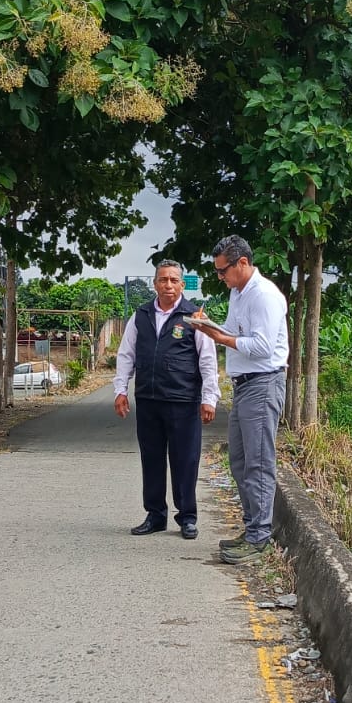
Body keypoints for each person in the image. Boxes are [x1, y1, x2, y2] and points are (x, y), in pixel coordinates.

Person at [188, 235, 289, 564]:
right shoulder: (238, 293)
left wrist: (221, 338)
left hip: (263, 382)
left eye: (223, 271)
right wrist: (208, 327)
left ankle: (259, 537)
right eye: (217, 271)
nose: (221, 277)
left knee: (258, 461)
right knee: (240, 461)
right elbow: (232, 330)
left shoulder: (264, 296)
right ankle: (252, 527)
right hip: (244, 385)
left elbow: (262, 347)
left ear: (242, 263)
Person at [115, 259, 219, 540]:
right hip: (148, 399)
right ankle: (155, 515)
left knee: (185, 460)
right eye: (163, 280)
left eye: (174, 280)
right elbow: (126, 354)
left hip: (183, 400)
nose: (168, 285)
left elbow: (208, 360)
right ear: (155, 284)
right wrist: (120, 390)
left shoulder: (194, 316)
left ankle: (187, 517)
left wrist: (209, 398)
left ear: (182, 285)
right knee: (151, 459)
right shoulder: (141, 315)